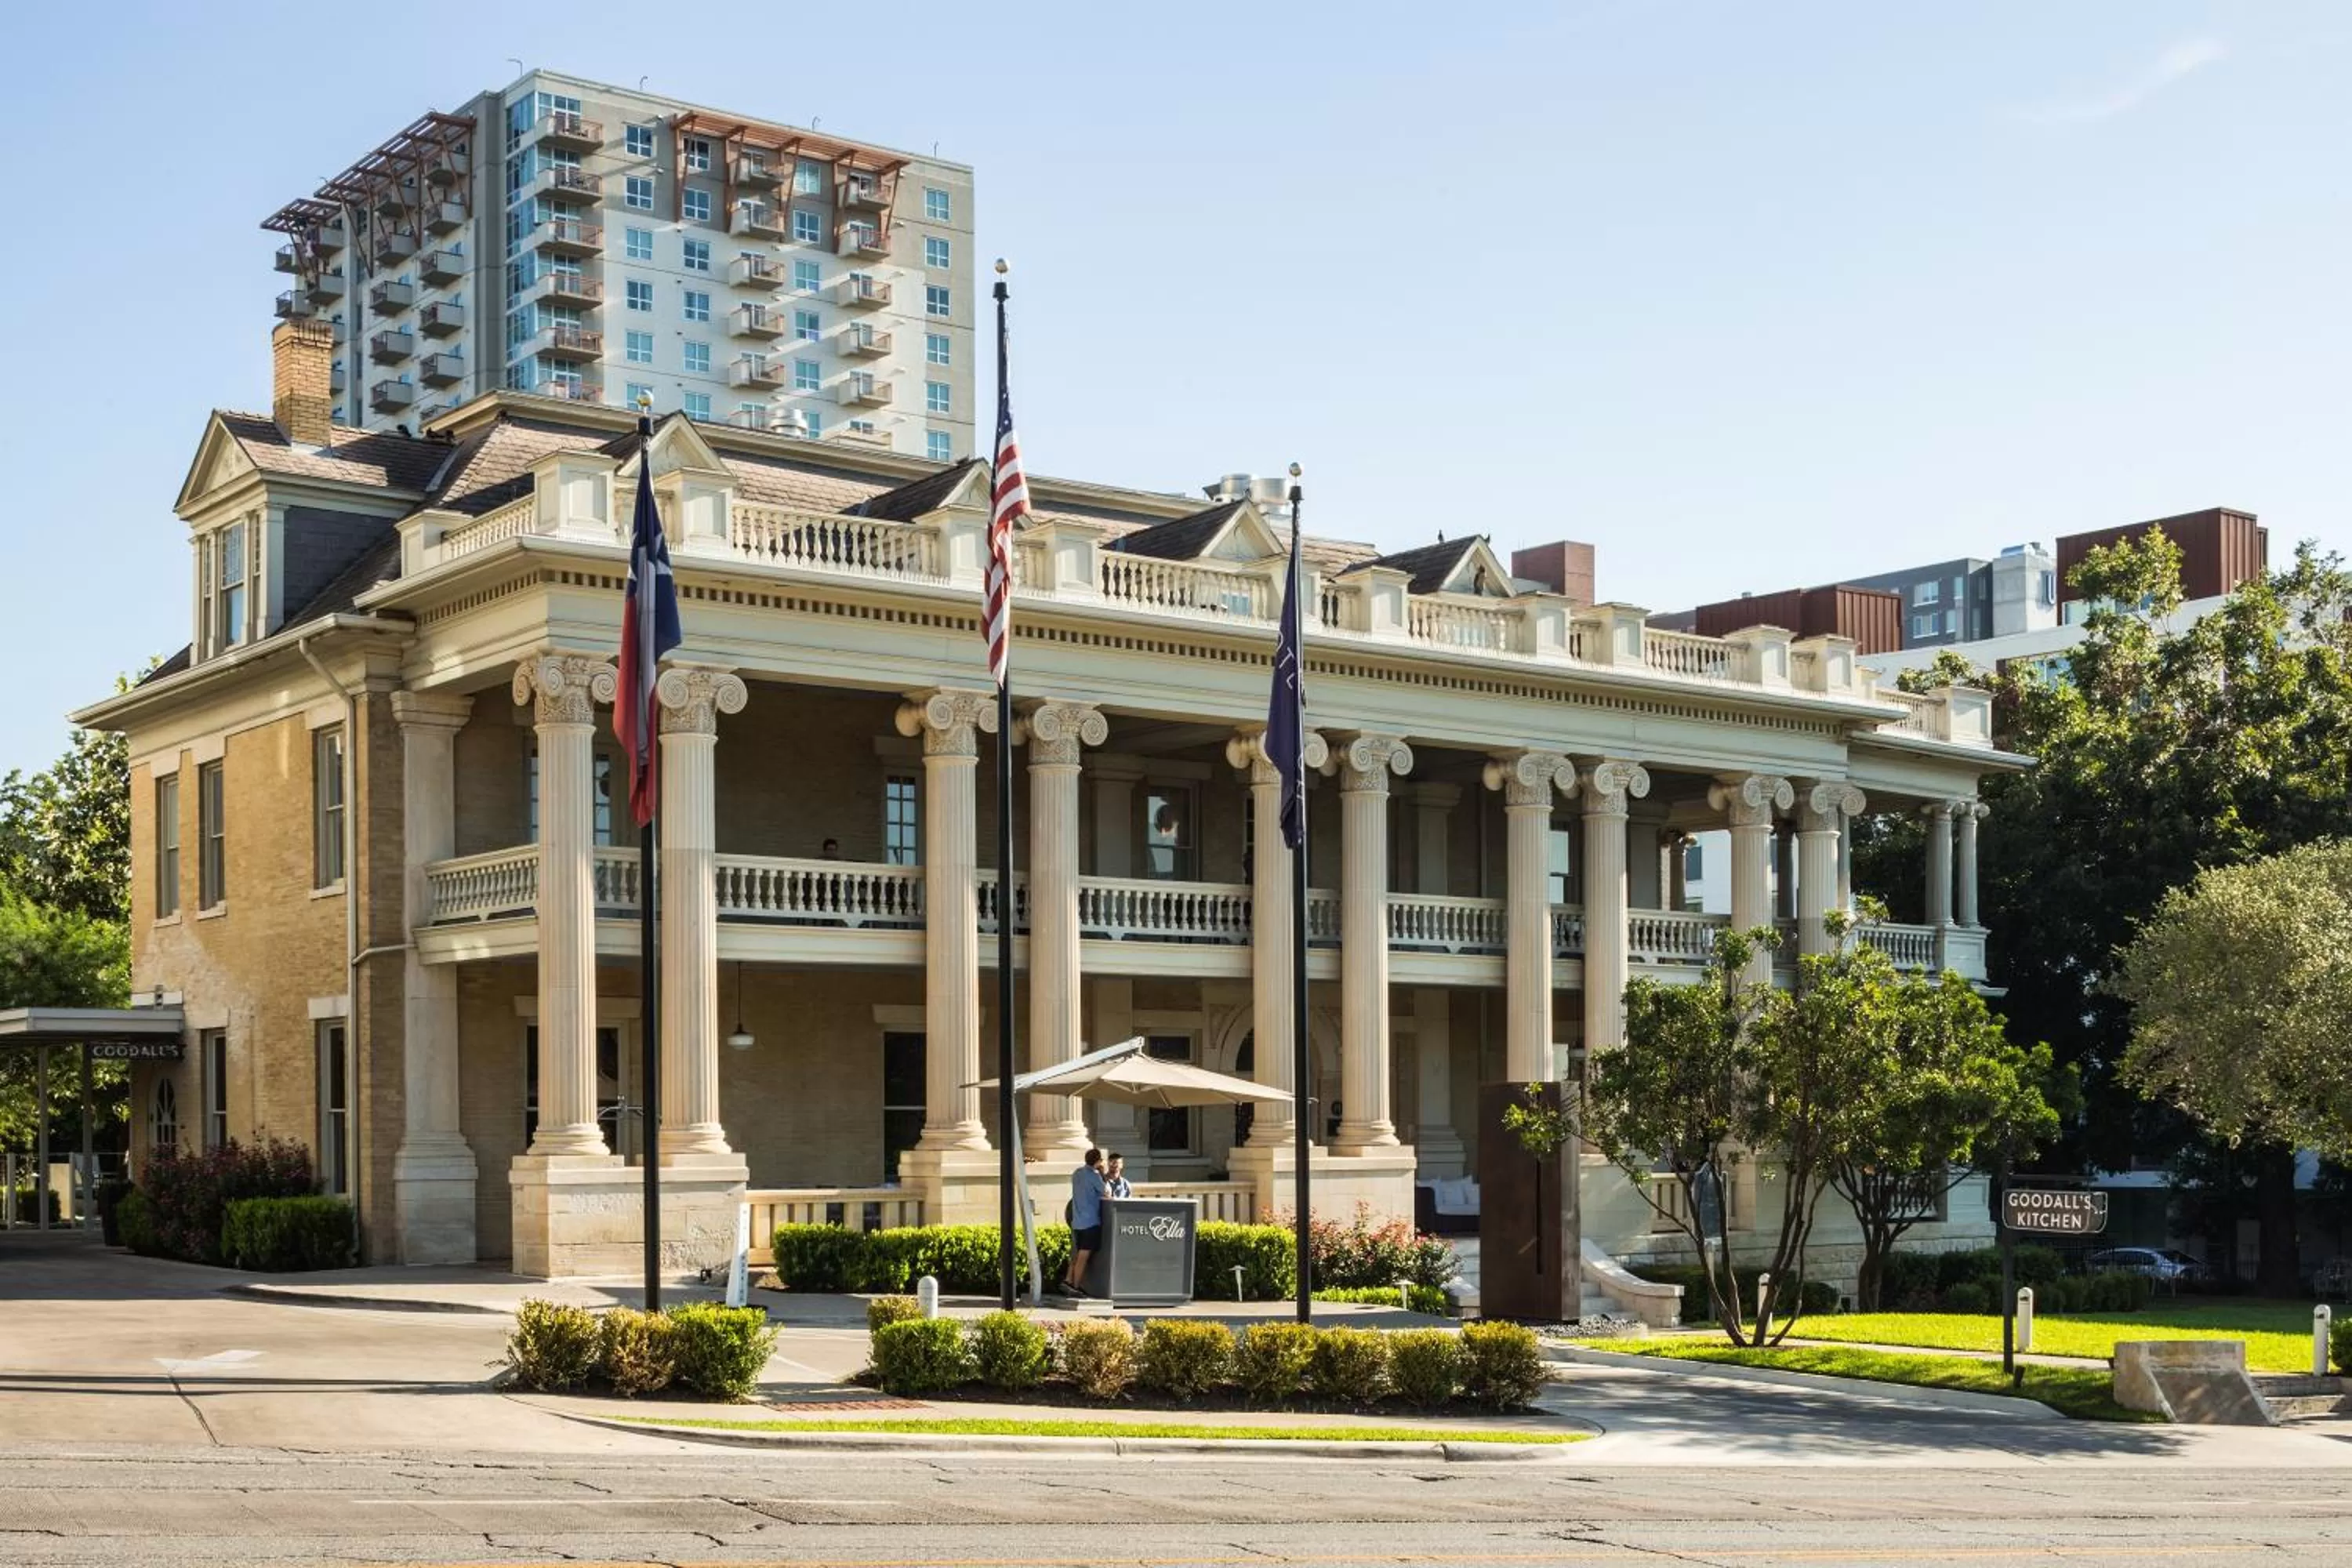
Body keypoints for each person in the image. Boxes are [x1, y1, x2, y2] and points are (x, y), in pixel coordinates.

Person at [1062, 1148, 1106, 1295]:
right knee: (1083, 1256)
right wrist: (1102, 1174)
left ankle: (1068, 1280)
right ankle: (1075, 1286)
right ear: (1098, 1161)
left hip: (1077, 1221)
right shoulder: (1094, 1175)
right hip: (1090, 1222)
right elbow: (1106, 1192)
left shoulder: (1077, 1173)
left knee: (1076, 1253)